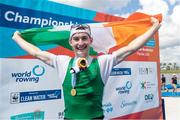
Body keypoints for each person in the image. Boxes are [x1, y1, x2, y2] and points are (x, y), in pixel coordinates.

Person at [12, 17, 161, 119]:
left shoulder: (103, 63)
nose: (80, 42)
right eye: (76, 39)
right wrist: (17, 38)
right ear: (70, 42)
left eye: (84, 38)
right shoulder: (63, 62)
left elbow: (131, 48)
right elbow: (37, 53)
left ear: (91, 40)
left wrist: (154, 28)